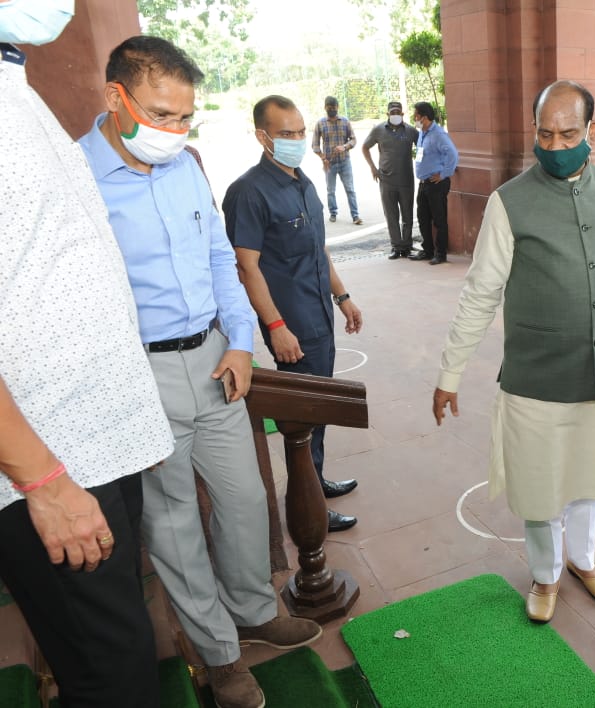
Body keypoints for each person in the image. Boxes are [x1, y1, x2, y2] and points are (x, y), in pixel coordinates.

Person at [78, 36, 321, 708]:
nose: (175, 131)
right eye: (161, 115)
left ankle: (252, 608)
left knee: (245, 501)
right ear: (115, 98)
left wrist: (241, 341)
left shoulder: (185, 165)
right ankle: (218, 657)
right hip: (140, 376)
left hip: (215, 360)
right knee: (173, 526)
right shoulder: (76, 178)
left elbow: (220, 258)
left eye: (186, 118)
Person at [431, 80, 595, 624]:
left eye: (569, 134)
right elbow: (481, 292)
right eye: (545, 134)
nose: (555, 146)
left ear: (593, 132)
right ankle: (545, 573)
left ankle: (582, 559)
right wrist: (450, 372)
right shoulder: (510, 201)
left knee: (592, 477)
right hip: (534, 379)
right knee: (540, 487)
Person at [0, 9, 175, 705]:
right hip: (49, 464)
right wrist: (40, 481)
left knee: (119, 656)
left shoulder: (15, 82)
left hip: (91, 449)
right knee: (115, 678)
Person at [222, 94, 363, 533]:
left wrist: (342, 297)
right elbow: (247, 267)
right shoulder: (248, 192)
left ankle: (315, 482)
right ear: (263, 136)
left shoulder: (303, 182)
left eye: (301, 131)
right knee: (303, 415)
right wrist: (276, 326)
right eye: (286, 134)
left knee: (318, 408)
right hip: (292, 323)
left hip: (319, 311)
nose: (298, 140)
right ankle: (306, 502)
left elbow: (318, 250)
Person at [362, 100, 417, 259]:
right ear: (387, 114)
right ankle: (396, 246)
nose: (395, 115)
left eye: (397, 112)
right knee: (391, 215)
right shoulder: (378, 130)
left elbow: (424, 146)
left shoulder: (411, 131)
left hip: (406, 180)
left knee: (407, 215)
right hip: (386, 180)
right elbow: (365, 147)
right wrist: (373, 167)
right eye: (392, 112)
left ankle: (406, 246)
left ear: (402, 114)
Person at [409, 101, 458, 264]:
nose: (414, 118)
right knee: (423, 217)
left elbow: (452, 154)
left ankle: (441, 253)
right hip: (424, 183)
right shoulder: (423, 132)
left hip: (436, 184)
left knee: (439, 219)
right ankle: (428, 250)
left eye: (416, 115)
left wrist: (443, 174)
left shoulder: (438, 134)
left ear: (424, 117)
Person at [312, 95, 362, 225]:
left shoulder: (345, 122)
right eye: (329, 108)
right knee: (331, 190)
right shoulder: (320, 123)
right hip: (330, 163)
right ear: (325, 108)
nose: (331, 110)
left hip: (345, 162)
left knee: (350, 189)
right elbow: (315, 145)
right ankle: (333, 213)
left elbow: (353, 139)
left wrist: (344, 146)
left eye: (333, 108)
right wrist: (323, 158)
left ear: (337, 107)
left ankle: (355, 216)